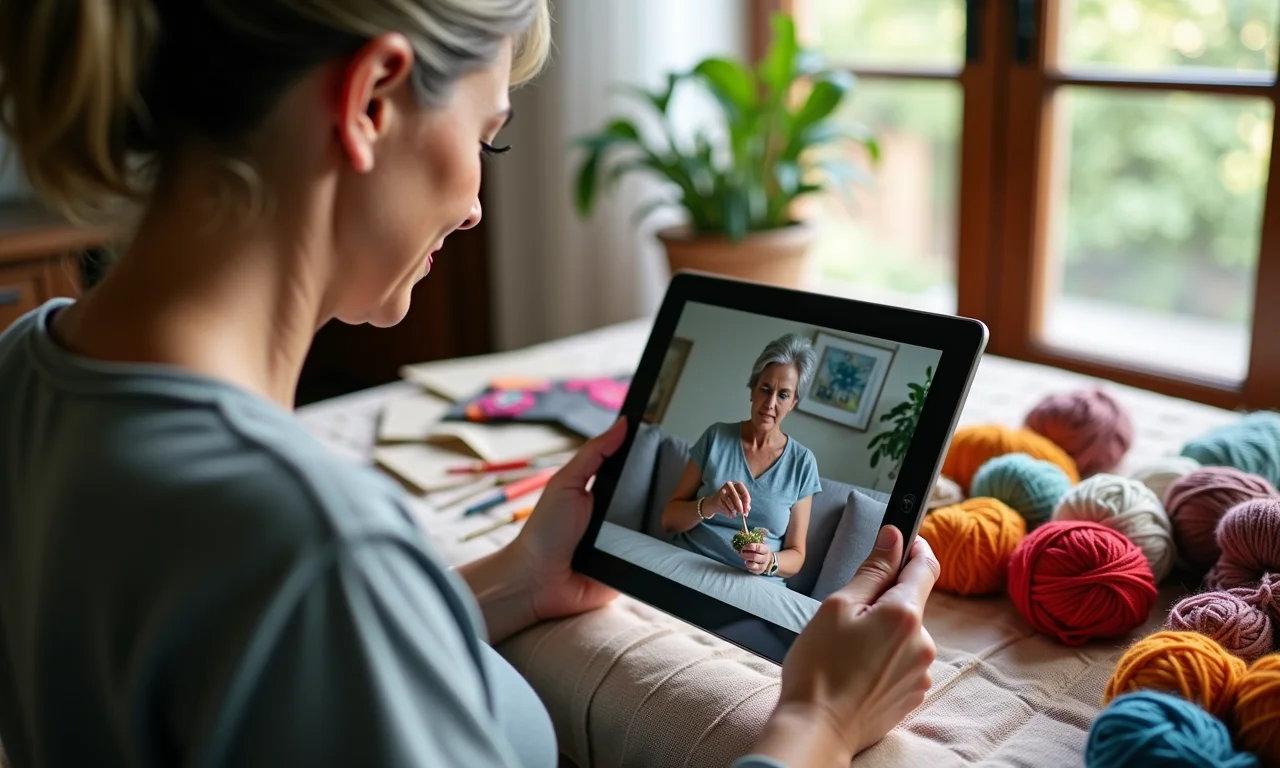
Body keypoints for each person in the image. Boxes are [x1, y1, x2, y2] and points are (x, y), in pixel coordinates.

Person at [0, 2, 940, 766]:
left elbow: (259, 675)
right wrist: (815, 721)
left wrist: (510, 584)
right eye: (487, 140)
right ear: (372, 100)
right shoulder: (317, 541)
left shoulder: (24, 372)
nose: (476, 206)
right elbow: (307, 603)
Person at [661, 334, 822, 581]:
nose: (770, 403)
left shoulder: (803, 463)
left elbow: (797, 554)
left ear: (793, 403)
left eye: (783, 395)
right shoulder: (716, 436)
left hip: (754, 583)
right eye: (765, 389)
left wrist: (770, 561)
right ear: (752, 390)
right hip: (690, 562)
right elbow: (669, 520)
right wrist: (711, 504)